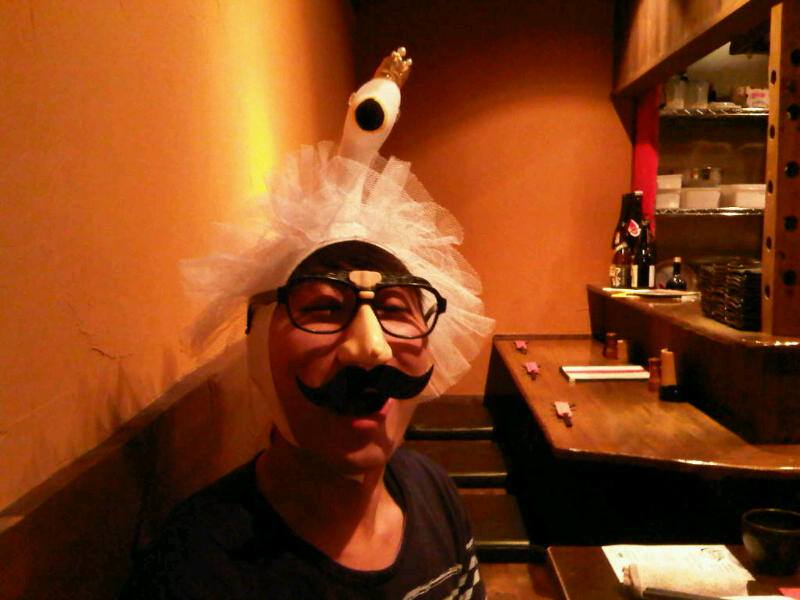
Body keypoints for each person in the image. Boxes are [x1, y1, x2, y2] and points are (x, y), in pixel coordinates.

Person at [121, 48, 494, 599]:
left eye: (395, 309)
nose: (371, 349)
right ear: (258, 346)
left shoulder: (432, 489)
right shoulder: (195, 572)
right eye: (323, 309)